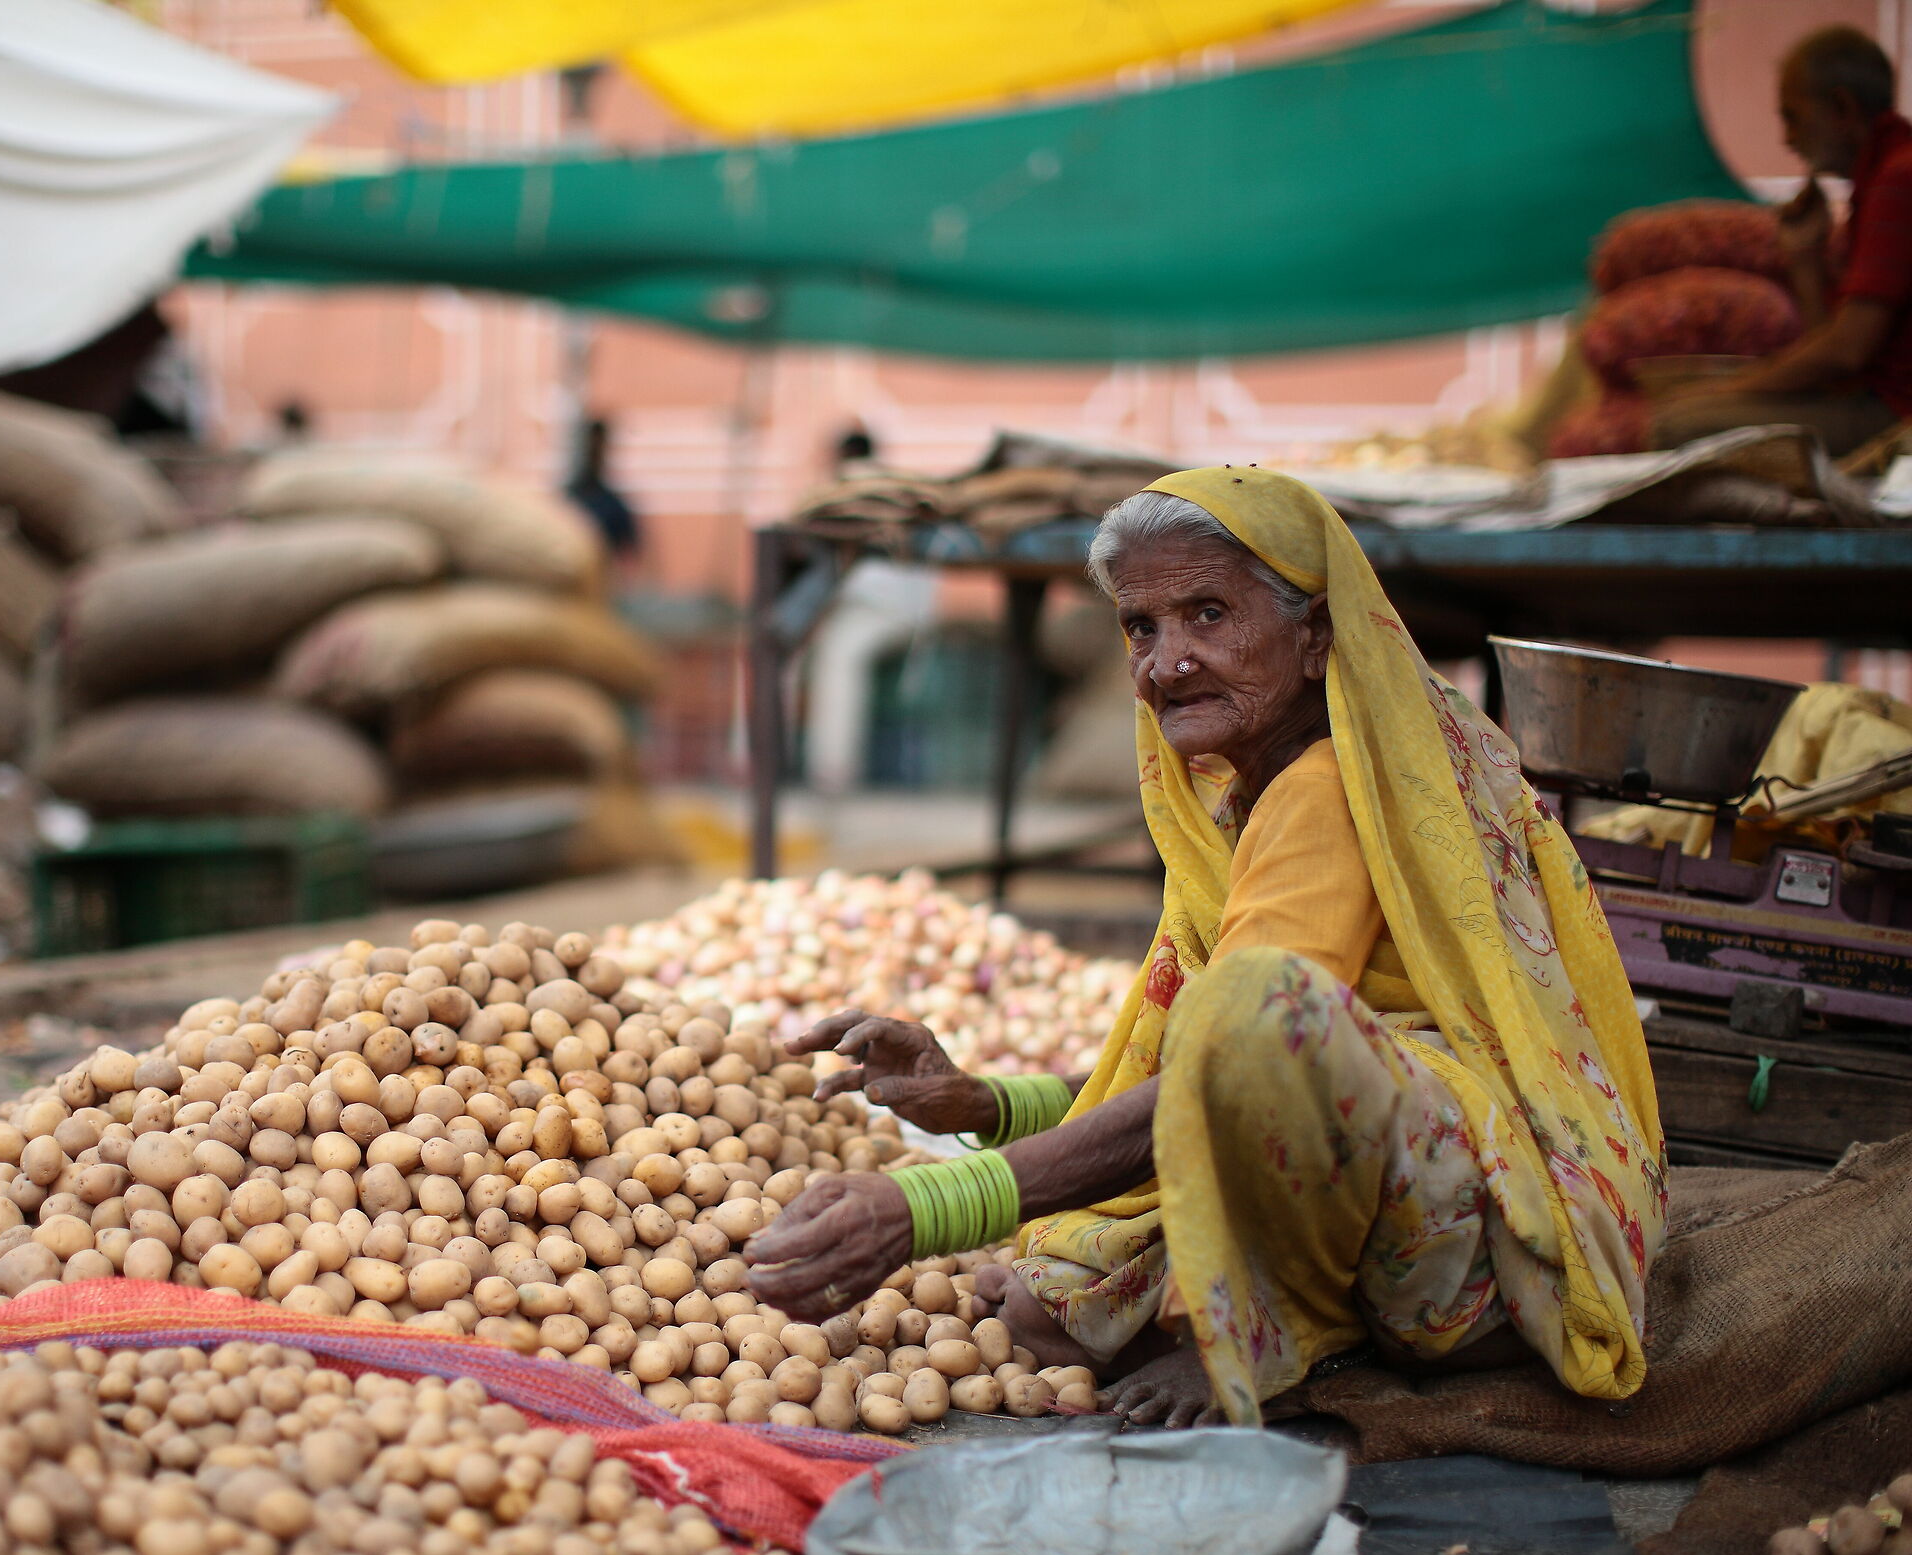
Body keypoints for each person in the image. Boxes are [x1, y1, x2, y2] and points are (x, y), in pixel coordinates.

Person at [744, 468, 1665, 1429]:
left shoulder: (1328, 794)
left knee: (1055, 1296)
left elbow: (1244, 1047)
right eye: (1143, 627)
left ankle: (1287, 1344)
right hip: (1422, 1196)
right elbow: (1203, 1069)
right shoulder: (1258, 798)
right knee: (1046, 1301)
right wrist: (987, 1103)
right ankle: (1283, 1324)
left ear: (1314, 639)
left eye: (1209, 614)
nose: (1167, 662)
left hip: (1479, 1258)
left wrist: (924, 1209)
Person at [1655, 27, 1912, 456]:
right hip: (1870, 402)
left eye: (1793, 117)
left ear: (1842, 108)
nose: (1788, 140)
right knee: (1681, 413)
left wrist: (1732, 391)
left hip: (1894, 416)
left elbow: (1847, 353)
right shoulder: (1877, 182)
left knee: (1675, 426)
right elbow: (1838, 356)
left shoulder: (1898, 181)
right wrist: (1805, 257)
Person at [564, 416, 640, 564]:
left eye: (598, 449)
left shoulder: (612, 504)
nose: (593, 455)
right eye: (590, 448)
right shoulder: (566, 501)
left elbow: (634, 553)